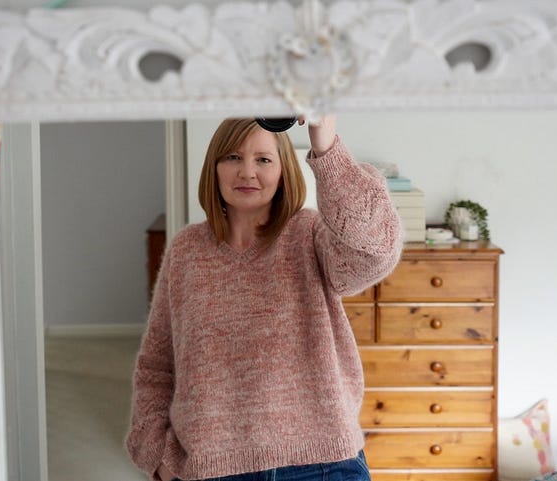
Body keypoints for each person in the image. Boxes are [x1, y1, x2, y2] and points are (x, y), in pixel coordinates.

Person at [125, 115, 403, 481]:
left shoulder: (310, 235)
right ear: (214, 168)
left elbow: (375, 249)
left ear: (283, 169)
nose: (247, 172)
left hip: (323, 465)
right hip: (214, 469)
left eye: (263, 159)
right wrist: (155, 454)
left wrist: (325, 141)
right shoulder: (186, 251)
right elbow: (157, 367)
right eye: (232, 158)